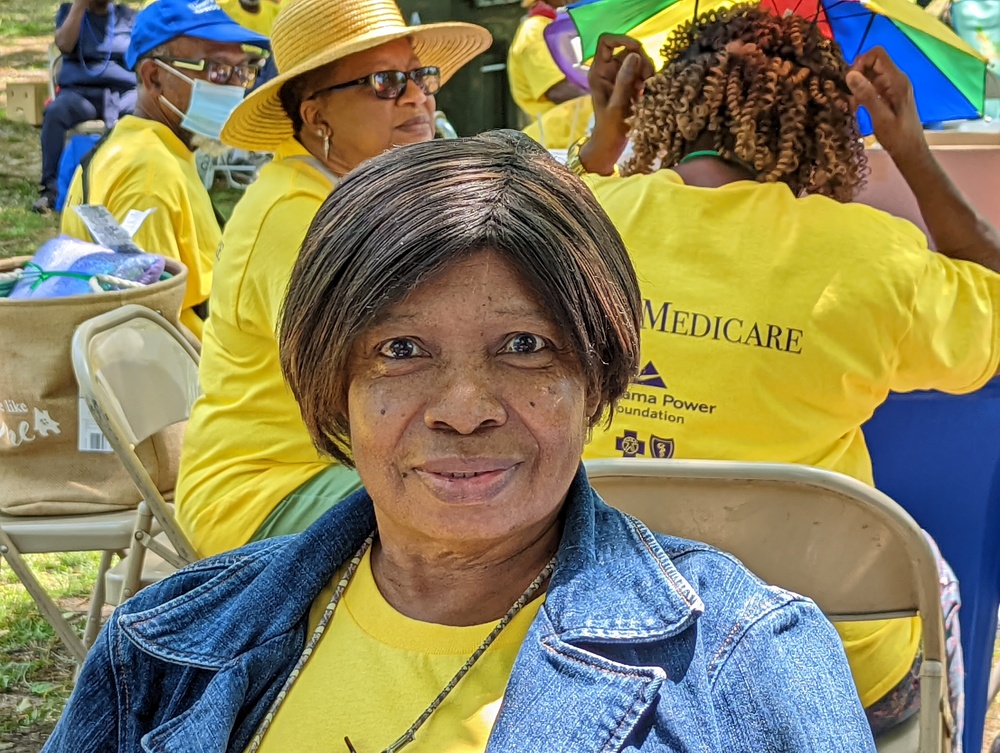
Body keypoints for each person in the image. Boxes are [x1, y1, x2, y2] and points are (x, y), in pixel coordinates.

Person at [43, 131, 877, 753]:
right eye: (401, 351)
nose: (466, 408)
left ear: (598, 377)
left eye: (524, 346)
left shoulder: (746, 668)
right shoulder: (165, 649)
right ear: (334, 385)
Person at [573, 7, 1000, 747]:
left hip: (610, 642)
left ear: (668, 106)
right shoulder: (873, 259)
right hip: (832, 672)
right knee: (935, 583)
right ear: (829, 126)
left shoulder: (582, 223)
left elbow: (541, 221)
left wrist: (603, 143)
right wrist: (912, 153)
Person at [174, 0, 490, 556]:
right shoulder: (295, 214)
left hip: (358, 458)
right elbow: (381, 371)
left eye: (421, 76)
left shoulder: (367, 195)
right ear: (317, 116)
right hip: (267, 486)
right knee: (487, 512)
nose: (417, 95)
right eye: (386, 82)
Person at [59, 0, 268, 340]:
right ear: (154, 77)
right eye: (215, 69)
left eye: (242, 70)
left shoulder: (148, 147)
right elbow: (148, 329)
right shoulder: (148, 174)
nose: (233, 87)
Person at [32, 0, 137, 214]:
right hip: (80, 94)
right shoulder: (69, 12)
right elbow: (64, 44)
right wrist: (79, 6)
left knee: (144, 114)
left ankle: (134, 184)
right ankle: (50, 190)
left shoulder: (128, 17)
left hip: (122, 94)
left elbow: (141, 54)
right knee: (55, 113)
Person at [507, 0, 593, 149]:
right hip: (558, 146)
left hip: (594, 136)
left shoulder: (580, 23)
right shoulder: (534, 30)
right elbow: (558, 91)